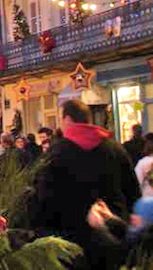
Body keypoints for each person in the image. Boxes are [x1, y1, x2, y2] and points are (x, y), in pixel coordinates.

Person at [27, 99, 141, 270]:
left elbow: (43, 197)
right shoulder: (114, 148)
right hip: (112, 235)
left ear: (67, 120)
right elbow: (132, 191)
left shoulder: (57, 153)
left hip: (70, 240)